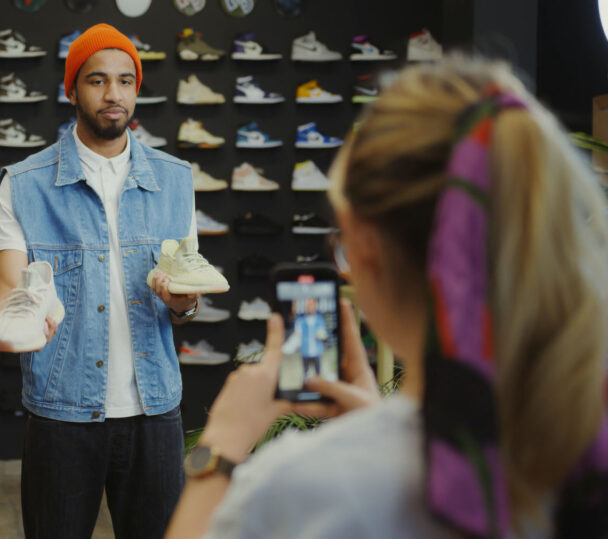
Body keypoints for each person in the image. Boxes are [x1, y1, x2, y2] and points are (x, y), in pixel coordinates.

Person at [165, 56, 608, 538]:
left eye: (341, 246)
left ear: (367, 248)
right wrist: (378, 425)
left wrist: (221, 446)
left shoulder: (304, 486)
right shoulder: (583, 445)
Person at [0, 23, 201, 539]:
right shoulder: (23, 184)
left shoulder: (175, 179)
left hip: (155, 411)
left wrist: (184, 302)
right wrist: (13, 321)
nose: (113, 94)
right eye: (98, 80)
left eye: (126, 81)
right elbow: (6, 297)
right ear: (72, 90)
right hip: (61, 415)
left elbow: (186, 297)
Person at [281, 298, 328, 380]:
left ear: (315, 307)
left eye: (312, 305)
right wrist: (289, 347)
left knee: (318, 372)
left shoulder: (320, 320)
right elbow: (297, 335)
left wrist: (323, 336)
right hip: (305, 350)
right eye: (308, 306)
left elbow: (323, 333)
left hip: (317, 350)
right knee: (305, 372)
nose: (310, 308)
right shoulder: (301, 321)